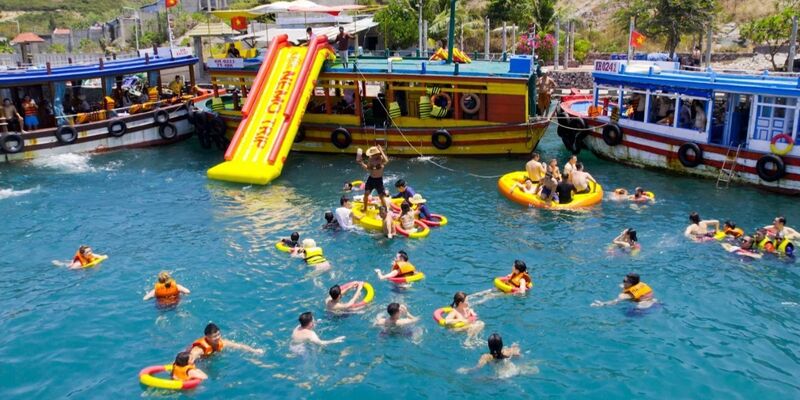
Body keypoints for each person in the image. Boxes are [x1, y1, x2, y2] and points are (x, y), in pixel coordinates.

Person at [188, 323, 264, 362]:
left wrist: (254, 350)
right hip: (200, 362)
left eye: (218, 334)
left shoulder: (223, 342)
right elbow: (189, 358)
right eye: (214, 336)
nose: (217, 337)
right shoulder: (199, 349)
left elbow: (239, 346)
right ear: (207, 337)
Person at [592, 273, 657, 309]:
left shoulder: (626, 295)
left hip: (644, 307)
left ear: (631, 284)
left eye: (625, 281)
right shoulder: (639, 284)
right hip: (655, 302)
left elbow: (615, 302)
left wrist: (602, 304)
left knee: (628, 315)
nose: (623, 282)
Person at [358, 145, 389, 212]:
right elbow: (368, 168)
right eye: (371, 154)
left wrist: (381, 150)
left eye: (373, 154)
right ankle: (365, 208)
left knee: (381, 196)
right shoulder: (370, 159)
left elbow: (386, 161)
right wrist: (362, 163)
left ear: (377, 153)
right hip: (371, 179)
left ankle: (385, 209)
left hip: (378, 180)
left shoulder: (381, 159)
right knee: (366, 194)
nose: (372, 155)